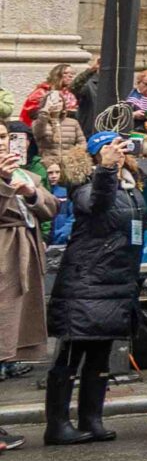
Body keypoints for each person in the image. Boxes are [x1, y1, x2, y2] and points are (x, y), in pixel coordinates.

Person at [45, 132, 147, 444]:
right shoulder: (84, 185)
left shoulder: (131, 185)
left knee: (101, 354)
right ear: (93, 155)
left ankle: (92, 418)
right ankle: (58, 424)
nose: (117, 150)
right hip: (86, 282)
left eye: (120, 145)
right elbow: (97, 204)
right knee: (72, 353)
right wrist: (105, 169)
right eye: (107, 147)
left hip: (117, 281)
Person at [0, 130, 47, 439]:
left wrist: (31, 193)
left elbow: (50, 208)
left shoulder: (26, 172)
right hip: (4, 259)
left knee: (7, 344)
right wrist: (4, 184)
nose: (3, 142)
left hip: (24, 261)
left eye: (5, 136)